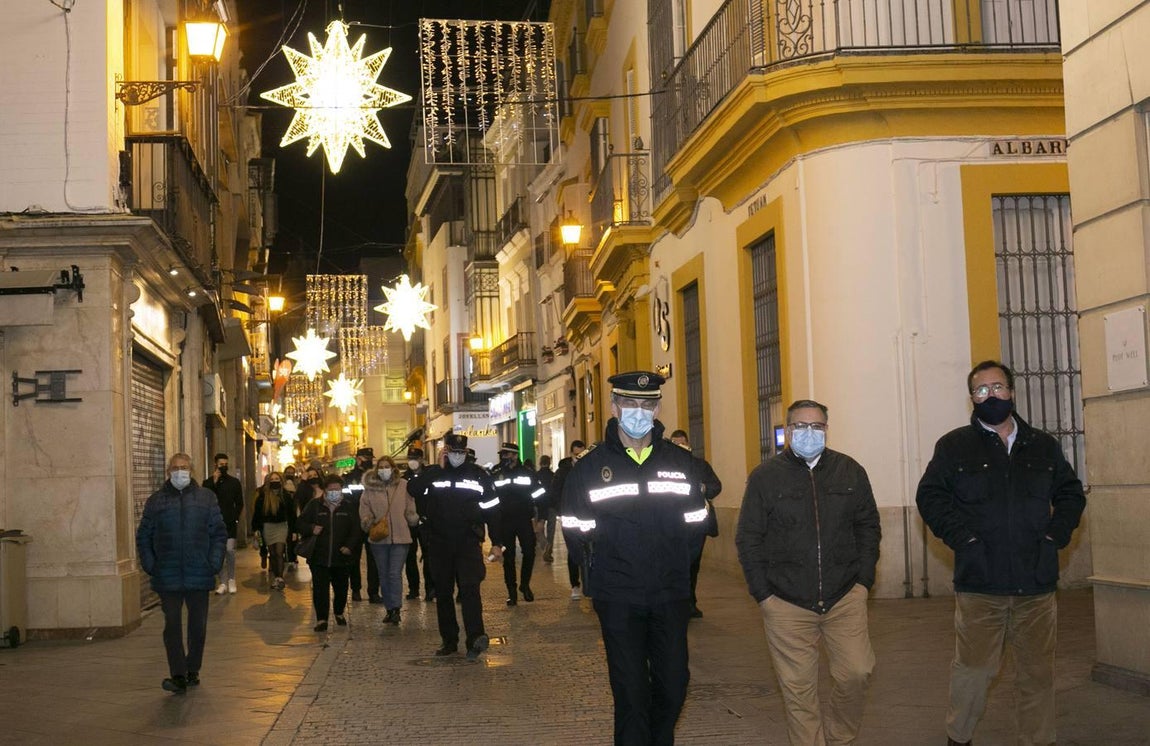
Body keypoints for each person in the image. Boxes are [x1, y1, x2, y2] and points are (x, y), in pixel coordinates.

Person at [916, 360, 1086, 746]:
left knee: (1037, 674)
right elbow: (930, 496)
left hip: (1036, 585)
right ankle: (959, 738)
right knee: (973, 672)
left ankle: (1038, 740)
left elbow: (1070, 493)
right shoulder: (954, 446)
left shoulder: (1042, 445)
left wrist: (1053, 538)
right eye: (981, 390)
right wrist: (965, 541)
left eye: (997, 387)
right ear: (971, 399)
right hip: (981, 585)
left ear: (1011, 391)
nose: (990, 395)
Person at [561, 371, 707, 745]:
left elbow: (696, 522)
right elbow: (575, 527)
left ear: (657, 408)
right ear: (614, 407)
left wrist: (675, 566)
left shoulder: (681, 462)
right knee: (631, 694)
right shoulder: (590, 467)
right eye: (630, 403)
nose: (638, 412)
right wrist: (598, 570)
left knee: (674, 685)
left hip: (670, 595)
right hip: (618, 596)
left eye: (646, 404)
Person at [735, 399, 881, 746]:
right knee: (799, 690)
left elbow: (868, 526)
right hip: (785, 601)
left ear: (827, 430)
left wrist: (863, 581)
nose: (809, 433)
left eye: (817, 426)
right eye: (801, 426)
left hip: (844, 596)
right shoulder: (765, 477)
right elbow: (748, 537)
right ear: (788, 430)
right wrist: (764, 595)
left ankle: (840, 737)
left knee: (857, 673)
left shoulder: (850, 471)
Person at [136, 453, 227, 693]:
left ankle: (193, 669)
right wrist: (151, 565)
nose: (180, 472)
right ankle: (177, 674)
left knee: (198, 626)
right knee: (172, 626)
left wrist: (213, 563)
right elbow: (143, 535)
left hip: (199, 573)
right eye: (175, 468)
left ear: (192, 470)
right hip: (167, 575)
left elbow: (219, 533)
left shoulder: (207, 499)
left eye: (184, 467)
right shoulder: (156, 501)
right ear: (168, 471)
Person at [407, 433, 502, 661]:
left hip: (468, 541)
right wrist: (437, 469)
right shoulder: (433, 473)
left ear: (466, 452)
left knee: (470, 589)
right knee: (444, 592)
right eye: (453, 451)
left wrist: (497, 542)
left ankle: (475, 638)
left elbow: (493, 509)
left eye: (461, 452)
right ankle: (449, 640)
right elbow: (413, 489)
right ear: (446, 451)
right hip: (439, 541)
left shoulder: (478, 475)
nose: (457, 456)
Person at [297, 474, 363, 632]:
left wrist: (349, 546)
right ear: (325, 490)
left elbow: (356, 530)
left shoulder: (349, 506)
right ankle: (321, 619)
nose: (334, 492)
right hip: (319, 556)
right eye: (331, 489)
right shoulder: (314, 505)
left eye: (337, 489)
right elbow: (300, 523)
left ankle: (339, 612)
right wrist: (312, 528)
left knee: (341, 587)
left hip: (342, 556)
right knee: (320, 589)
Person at [668, 430, 722, 619]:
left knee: (692, 566)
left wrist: (703, 488)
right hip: (672, 529)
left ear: (688, 444)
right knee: (675, 566)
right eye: (675, 443)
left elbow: (716, 486)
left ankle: (690, 602)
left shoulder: (699, 466)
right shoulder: (664, 467)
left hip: (696, 528)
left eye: (682, 443)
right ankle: (677, 602)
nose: (679, 447)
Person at [360, 455, 418, 624]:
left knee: (394, 573)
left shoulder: (404, 486)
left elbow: (410, 507)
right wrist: (369, 520)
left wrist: (412, 518)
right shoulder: (370, 489)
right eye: (381, 467)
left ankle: (396, 608)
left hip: (400, 537)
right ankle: (389, 607)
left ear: (393, 468)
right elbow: (364, 509)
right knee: (383, 574)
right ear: (377, 470)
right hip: (379, 538)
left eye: (387, 466)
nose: (384, 469)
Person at [491, 442, 544, 605]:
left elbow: (540, 494)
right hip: (504, 520)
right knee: (508, 557)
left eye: (506, 455)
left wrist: (541, 518)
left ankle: (525, 585)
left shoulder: (527, 473)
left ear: (514, 455)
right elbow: (490, 496)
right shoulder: (496, 472)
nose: (504, 458)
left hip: (523, 519)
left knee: (529, 552)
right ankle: (511, 592)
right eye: (502, 455)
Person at [344, 447, 381, 603]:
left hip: (372, 522)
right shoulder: (348, 478)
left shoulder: (376, 477)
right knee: (353, 559)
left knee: (374, 559)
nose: (368, 460)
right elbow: (346, 500)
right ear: (358, 459)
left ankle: (373, 592)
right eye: (365, 458)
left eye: (370, 458)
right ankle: (356, 590)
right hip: (355, 523)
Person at [204, 452, 244, 595]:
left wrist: (235, 518)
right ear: (215, 464)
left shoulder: (234, 483)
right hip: (214, 523)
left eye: (226, 465)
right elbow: (207, 499)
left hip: (229, 522)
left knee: (230, 551)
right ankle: (222, 582)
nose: (224, 467)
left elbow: (239, 503)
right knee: (219, 552)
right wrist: (214, 482)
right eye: (221, 465)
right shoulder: (208, 483)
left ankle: (232, 579)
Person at [551, 440, 586, 599]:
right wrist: (561, 511)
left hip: (588, 516)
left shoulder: (590, 467)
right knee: (573, 550)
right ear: (571, 453)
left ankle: (589, 582)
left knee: (590, 550)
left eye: (582, 453)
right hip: (570, 516)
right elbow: (555, 492)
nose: (579, 457)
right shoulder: (563, 471)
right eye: (576, 454)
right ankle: (575, 585)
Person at [402, 447, 436, 602]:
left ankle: (430, 589)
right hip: (408, 522)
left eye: (415, 458)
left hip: (426, 521)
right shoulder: (403, 478)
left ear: (422, 459)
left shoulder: (429, 476)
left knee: (428, 556)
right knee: (410, 557)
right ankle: (413, 589)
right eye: (410, 458)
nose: (412, 461)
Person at [251, 472, 294, 590]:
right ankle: (276, 577)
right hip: (268, 526)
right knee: (273, 553)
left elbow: (292, 514)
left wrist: (294, 530)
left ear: (281, 480)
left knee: (280, 552)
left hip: (281, 526)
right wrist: (256, 529)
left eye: (277, 479)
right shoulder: (263, 496)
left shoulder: (285, 496)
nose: (275, 481)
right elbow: (257, 514)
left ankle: (280, 578)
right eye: (272, 479)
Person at [535, 455, 556, 563]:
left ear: (540, 463)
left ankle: (545, 545)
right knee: (551, 530)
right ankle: (549, 550)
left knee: (539, 529)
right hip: (552, 505)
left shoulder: (536, 476)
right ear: (549, 463)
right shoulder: (553, 475)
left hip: (539, 505)